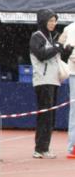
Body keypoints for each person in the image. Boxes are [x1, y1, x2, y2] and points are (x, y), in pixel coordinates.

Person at [30, 9, 72, 159]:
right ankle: (39, 148)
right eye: (50, 21)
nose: (53, 24)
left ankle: (44, 147)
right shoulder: (37, 36)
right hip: (43, 80)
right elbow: (41, 55)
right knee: (45, 115)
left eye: (54, 21)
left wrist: (66, 50)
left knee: (50, 116)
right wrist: (57, 47)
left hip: (53, 80)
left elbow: (56, 56)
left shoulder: (50, 37)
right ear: (43, 21)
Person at [58, 19, 75, 156]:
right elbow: (60, 46)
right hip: (74, 73)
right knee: (74, 110)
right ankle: (73, 146)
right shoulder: (70, 28)